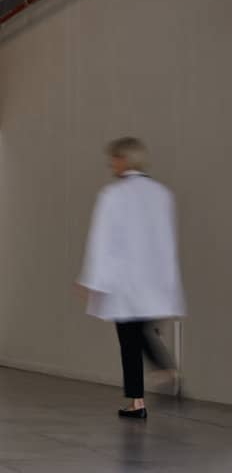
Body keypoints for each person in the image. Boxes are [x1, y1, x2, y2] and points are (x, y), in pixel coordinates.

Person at [78, 137, 184, 419]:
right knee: (143, 332)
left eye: (114, 158)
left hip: (123, 281)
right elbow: (167, 241)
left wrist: (92, 281)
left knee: (129, 341)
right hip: (155, 280)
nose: (111, 163)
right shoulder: (162, 194)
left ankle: (139, 400)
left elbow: (101, 241)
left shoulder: (113, 195)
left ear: (125, 159)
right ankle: (164, 369)